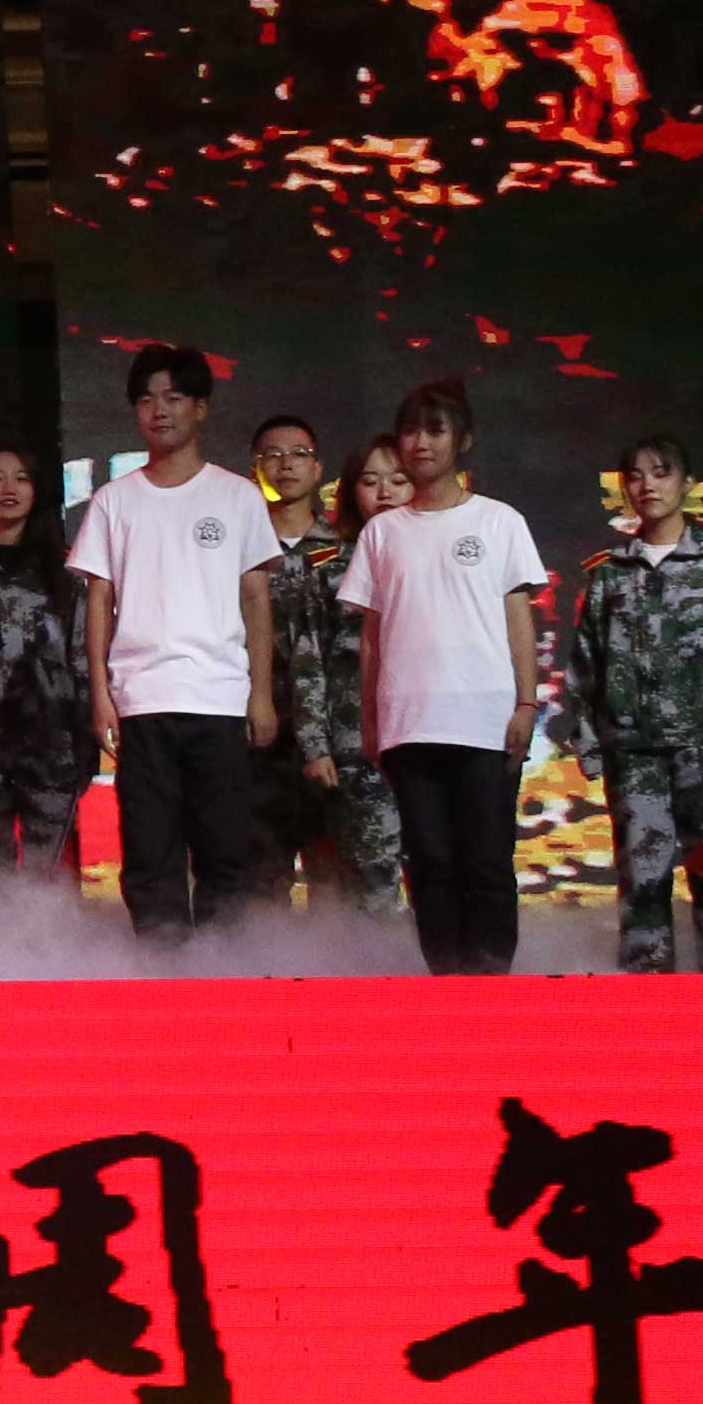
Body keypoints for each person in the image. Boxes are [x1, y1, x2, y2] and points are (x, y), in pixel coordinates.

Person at [67, 347, 286, 938]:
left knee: (224, 849)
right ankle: (162, 968)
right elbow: (99, 599)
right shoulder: (115, 500)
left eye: (173, 397)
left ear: (201, 408)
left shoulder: (237, 495)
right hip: (142, 699)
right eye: (146, 400)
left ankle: (224, 969)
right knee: (150, 851)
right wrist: (102, 696)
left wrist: (261, 695)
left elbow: (256, 598)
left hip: (219, 697)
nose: (158, 411)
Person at [341, 378, 548, 975]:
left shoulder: (499, 521)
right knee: (429, 861)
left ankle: (491, 982)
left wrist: (526, 704)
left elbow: (518, 617)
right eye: (410, 431)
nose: (420, 443)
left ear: (463, 440)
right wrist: (371, 721)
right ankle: (447, 983)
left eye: (435, 430)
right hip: (409, 721)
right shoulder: (382, 532)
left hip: (484, 719)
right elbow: (373, 635)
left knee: (485, 860)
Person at [572, 435, 703, 974]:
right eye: (635, 477)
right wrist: (589, 741)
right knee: (642, 885)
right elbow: (586, 665)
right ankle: (650, 1003)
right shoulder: (609, 573)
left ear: (686, 484)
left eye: (661, 473)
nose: (648, 486)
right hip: (635, 756)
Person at [274, 438, 411, 922]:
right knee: (369, 876)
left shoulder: (440, 557)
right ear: (351, 491)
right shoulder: (330, 568)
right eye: (370, 481)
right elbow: (308, 658)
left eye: (398, 480)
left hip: (431, 737)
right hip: (357, 747)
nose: (385, 492)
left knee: (441, 868)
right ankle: (375, 965)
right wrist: (316, 744)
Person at [0, 440, 94, 875]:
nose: (9, 488)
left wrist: (86, 738)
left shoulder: (67, 575)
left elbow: (84, 658)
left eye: (22, 478)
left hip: (52, 744)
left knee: (49, 877)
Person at [238, 411, 335, 902]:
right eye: (272, 455)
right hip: (258, 727)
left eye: (299, 454)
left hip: (336, 729)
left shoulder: (350, 546)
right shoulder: (239, 549)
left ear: (318, 469)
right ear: (255, 469)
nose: (286, 465)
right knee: (260, 866)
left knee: (335, 865)